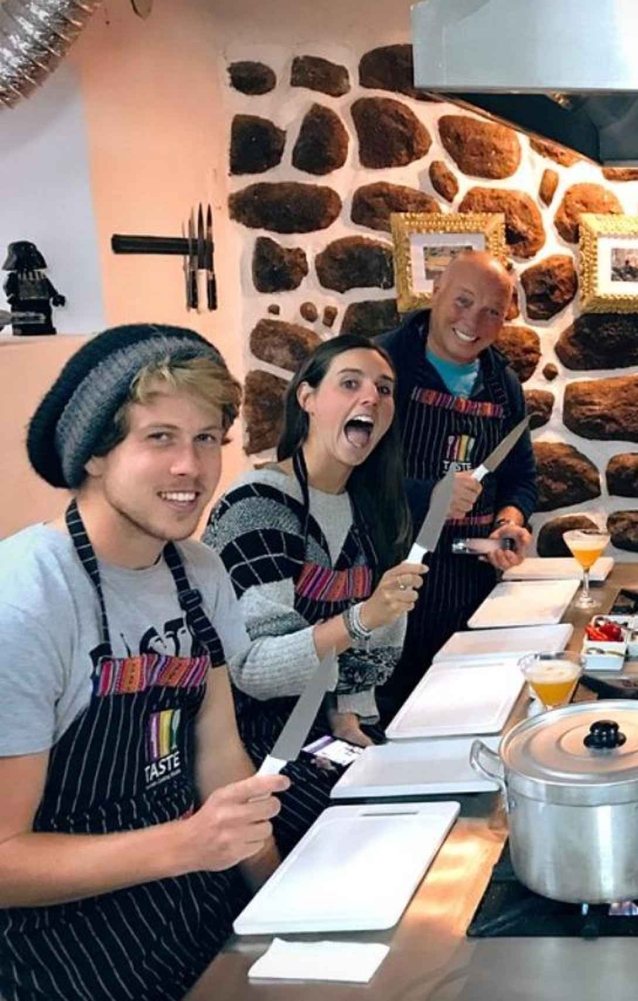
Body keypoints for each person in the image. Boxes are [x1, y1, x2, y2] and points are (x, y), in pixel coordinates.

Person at [0, 325, 288, 1001]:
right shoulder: (27, 599)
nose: (191, 466)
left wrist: (282, 903)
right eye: (159, 437)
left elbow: (220, 759)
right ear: (95, 455)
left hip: (192, 914)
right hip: (63, 955)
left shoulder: (199, 570)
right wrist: (189, 844)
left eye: (208, 438)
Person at [203, 335, 425, 853]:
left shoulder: (370, 510)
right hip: (250, 749)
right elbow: (255, 670)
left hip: (321, 734)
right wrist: (360, 620)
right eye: (350, 383)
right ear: (306, 399)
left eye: (384, 390)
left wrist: (349, 716)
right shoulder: (257, 504)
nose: (371, 397)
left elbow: (366, 665)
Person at [377, 250, 537, 712]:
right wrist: (430, 496)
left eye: (492, 312)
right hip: (394, 593)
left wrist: (509, 521)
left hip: (474, 594)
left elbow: (521, 477)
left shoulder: (502, 381)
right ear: (435, 293)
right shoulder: (382, 366)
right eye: (463, 301)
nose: (474, 321)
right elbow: (347, 477)